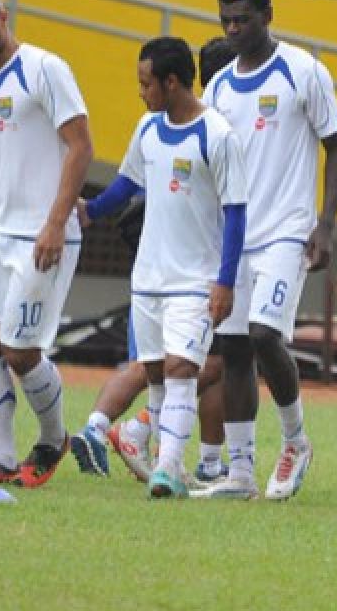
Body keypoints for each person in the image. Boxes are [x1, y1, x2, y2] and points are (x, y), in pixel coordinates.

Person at [195, 0, 337, 501]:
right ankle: (239, 474)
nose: (234, 29)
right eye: (226, 21)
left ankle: (296, 440)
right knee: (233, 348)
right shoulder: (215, 89)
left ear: (268, 14)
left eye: (243, 18)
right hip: (235, 237)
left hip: (287, 232)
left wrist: (325, 224)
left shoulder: (302, 71)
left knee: (264, 335)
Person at [78, 36, 247, 499]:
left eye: (146, 83)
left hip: (195, 279)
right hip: (148, 277)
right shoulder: (148, 128)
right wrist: (90, 210)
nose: (141, 91)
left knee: (180, 370)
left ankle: (169, 468)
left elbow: (236, 211)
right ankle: (161, 463)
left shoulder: (218, 134)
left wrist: (225, 281)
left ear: (172, 82)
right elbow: (127, 183)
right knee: (155, 372)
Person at [0, 0, 93, 487]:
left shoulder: (44, 68)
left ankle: (54, 438)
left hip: (42, 233)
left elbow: (80, 146)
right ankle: (3, 460)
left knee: (19, 350)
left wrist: (56, 220)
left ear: (4, 17)